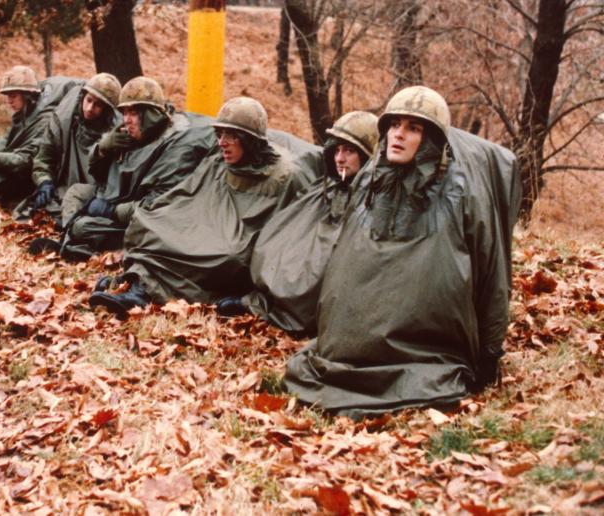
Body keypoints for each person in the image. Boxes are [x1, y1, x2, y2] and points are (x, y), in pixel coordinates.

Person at [283, 86, 521, 417]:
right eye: (394, 125)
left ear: (432, 139)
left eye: (414, 128)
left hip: (429, 347)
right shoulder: (370, 180)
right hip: (350, 339)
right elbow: (346, 260)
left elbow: (492, 274)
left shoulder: (461, 194)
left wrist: (490, 354)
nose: (399, 135)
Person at [87, 97, 314, 314]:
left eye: (230, 136)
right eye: (219, 134)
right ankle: (136, 283)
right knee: (151, 224)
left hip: (237, 244)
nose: (222, 142)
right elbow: (189, 194)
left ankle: (142, 290)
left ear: (250, 139)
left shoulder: (286, 176)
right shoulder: (219, 160)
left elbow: (292, 231)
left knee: (221, 257)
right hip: (205, 225)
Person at [217, 110, 379, 333]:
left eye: (349, 151)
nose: (340, 158)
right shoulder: (327, 187)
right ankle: (261, 304)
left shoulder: (374, 199)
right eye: (337, 150)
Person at [46, 77, 214, 262]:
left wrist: (112, 210)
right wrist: (102, 149)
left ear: (150, 114)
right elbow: (98, 174)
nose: (126, 120)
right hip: (118, 196)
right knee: (76, 193)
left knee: (84, 227)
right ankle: (70, 238)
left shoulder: (174, 148)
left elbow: (157, 206)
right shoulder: (133, 133)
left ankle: (84, 241)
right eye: (124, 113)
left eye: (133, 113)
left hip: (143, 215)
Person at [0, 66, 72, 206]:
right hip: (17, 166)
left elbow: (26, 159)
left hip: (29, 176)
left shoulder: (44, 120)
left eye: (13, 96)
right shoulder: (24, 114)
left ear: (27, 95)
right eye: (7, 96)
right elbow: (7, 140)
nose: (9, 101)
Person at [15, 73, 120, 219]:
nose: (89, 108)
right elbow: (45, 157)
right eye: (88, 100)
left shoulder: (116, 134)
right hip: (63, 190)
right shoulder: (64, 120)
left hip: (98, 195)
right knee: (29, 214)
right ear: (83, 96)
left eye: (97, 105)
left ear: (107, 110)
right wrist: (44, 182)